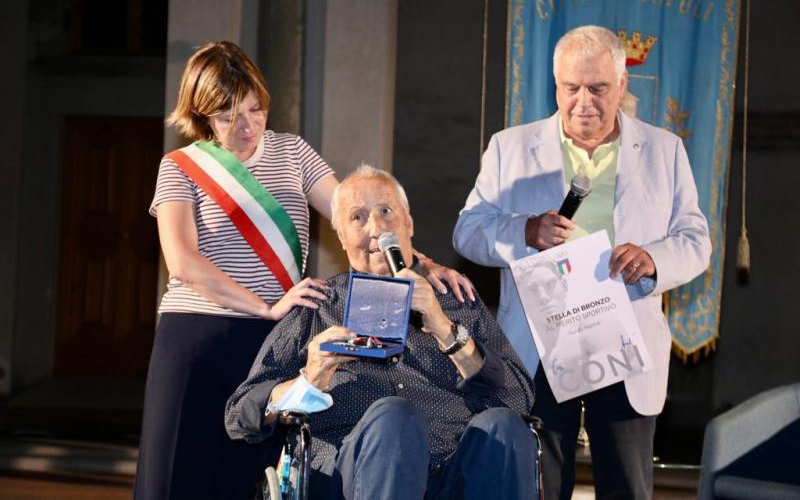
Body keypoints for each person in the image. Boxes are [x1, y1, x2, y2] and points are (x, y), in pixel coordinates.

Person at [135, 41, 472, 499]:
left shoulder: (293, 152)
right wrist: (265, 306)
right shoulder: (179, 167)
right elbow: (182, 261)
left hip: (275, 341)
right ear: (202, 114)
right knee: (180, 476)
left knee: (262, 480)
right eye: (229, 116)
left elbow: (359, 220)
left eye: (256, 109)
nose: (248, 125)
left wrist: (422, 263)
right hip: (199, 338)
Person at [453, 25, 711, 499]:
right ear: (555, 85)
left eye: (598, 88)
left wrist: (652, 258)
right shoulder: (510, 147)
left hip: (626, 341)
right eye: (571, 88)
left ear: (623, 84)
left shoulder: (664, 150)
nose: (583, 103)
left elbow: (696, 240)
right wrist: (524, 231)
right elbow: (467, 231)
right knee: (539, 487)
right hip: (539, 343)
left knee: (627, 487)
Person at [225, 166, 538, 500]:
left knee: (504, 427)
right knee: (395, 417)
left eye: (386, 211)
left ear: (409, 224)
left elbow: (518, 398)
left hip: (455, 471)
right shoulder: (317, 306)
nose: (376, 229)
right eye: (357, 217)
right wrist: (308, 380)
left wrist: (444, 329)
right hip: (353, 474)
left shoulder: (454, 299)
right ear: (341, 237)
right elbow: (240, 415)